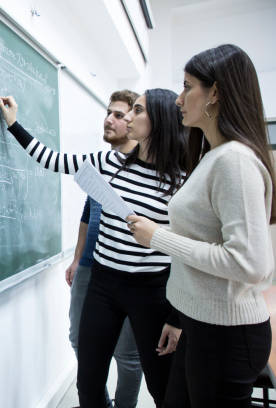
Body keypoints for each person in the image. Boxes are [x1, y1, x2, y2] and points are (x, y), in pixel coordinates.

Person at [0, 88, 187, 408]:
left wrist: (178, 317)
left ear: (160, 121)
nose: (127, 117)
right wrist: (14, 123)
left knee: (161, 384)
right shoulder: (108, 161)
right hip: (104, 284)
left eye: (137, 111)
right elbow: (50, 159)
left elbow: (188, 254)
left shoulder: (181, 181)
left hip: (152, 292)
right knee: (88, 381)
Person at [127, 44, 275, 407]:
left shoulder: (234, 162)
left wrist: (159, 238)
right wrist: (179, 319)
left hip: (227, 335)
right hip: (199, 324)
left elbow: (250, 264)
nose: (179, 99)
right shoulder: (212, 156)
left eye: (187, 86)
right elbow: (202, 238)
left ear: (215, 94)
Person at [66, 90, 143, 408]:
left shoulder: (145, 168)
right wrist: (75, 258)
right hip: (88, 266)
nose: (109, 119)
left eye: (119, 114)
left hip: (125, 271)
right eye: (107, 112)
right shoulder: (99, 165)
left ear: (134, 122)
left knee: (126, 354)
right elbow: (88, 213)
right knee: (78, 339)